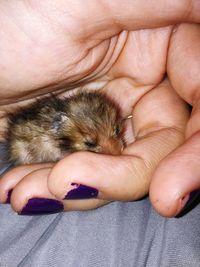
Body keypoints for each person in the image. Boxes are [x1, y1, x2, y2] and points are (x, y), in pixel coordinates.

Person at [0, 1, 199, 266]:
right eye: (93, 143)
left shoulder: (88, 114)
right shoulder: (52, 130)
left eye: (117, 131)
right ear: (59, 128)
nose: (114, 146)